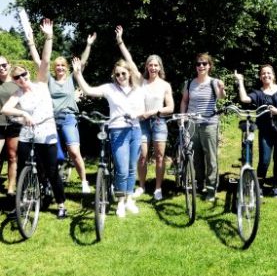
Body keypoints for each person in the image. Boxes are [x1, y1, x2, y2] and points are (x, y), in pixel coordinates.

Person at [1, 21, 67, 218]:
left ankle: (61, 204)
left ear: (28, 73)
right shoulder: (19, 93)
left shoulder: (41, 84)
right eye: (18, 78)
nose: (22, 79)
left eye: (23, 74)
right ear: (15, 81)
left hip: (46, 132)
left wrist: (48, 38)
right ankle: (20, 204)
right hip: (28, 134)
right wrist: (23, 114)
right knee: (23, 168)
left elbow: (45, 61)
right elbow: (5, 109)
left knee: (51, 170)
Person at [26, 20, 97, 193]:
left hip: (68, 118)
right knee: (53, 156)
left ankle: (84, 182)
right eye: (56, 65)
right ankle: (50, 182)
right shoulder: (49, 80)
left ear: (66, 68)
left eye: (62, 65)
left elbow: (83, 64)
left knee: (74, 152)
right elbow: (38, 61)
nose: (59, 68)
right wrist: (32, 43)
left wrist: (88, 45)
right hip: (50, 120)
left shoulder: (72, 79)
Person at [72, 56, 145, 218]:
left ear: (129, 74)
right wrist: (78, 75)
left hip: (135, 130)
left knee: (132, 168)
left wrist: (135, 113)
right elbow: (88, 91)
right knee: (122, 169)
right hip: (118, 131)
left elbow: (142, 110)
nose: (120, 77)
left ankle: (129, 199)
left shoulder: (138, 89)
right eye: (117, 74)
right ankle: (120, 202)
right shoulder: (110, 88)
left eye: (123, 74)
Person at [115, 25, 174, 201]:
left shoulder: (165, 85)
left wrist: (154, 112)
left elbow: (170, 108)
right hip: (141, 123)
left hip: (159, 122)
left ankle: (157, 188)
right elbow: (130, 61)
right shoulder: (141, 81)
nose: (153, 68)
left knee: (160, 156)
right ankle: (141, 186)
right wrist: (120, 41)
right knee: (142, 156)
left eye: (156, 65)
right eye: (150, 65)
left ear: (159, 67)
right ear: (147, 67)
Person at [234, 65, 277, 198]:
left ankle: (276, 187)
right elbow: (244, 99)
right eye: (263, 74)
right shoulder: (258, 93)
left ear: (273, 75)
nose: (266, 75)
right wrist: (240, 82)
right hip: (266, 131)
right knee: (264, 160)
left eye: (268, 73)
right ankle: (259, 186)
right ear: (260, 77)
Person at [180, 53, 226, 202]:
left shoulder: (214, 82)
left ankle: (211, 190)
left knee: (211, 158)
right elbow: (184, 102)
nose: (201, 66)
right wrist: (182, 117)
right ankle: (199, 185)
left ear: (209, 66)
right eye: (198, 64)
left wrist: (222, 88)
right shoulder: (189, 83)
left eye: (204, 64)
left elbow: (221, 97)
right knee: (196, 158)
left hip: (209, 124)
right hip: (192, 124)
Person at [0, 56, 21, 196]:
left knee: (13, 157)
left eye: (3, 65)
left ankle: (11, 188)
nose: (1, 68)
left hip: (14, 125)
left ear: (9, 64)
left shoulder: (18, 82)